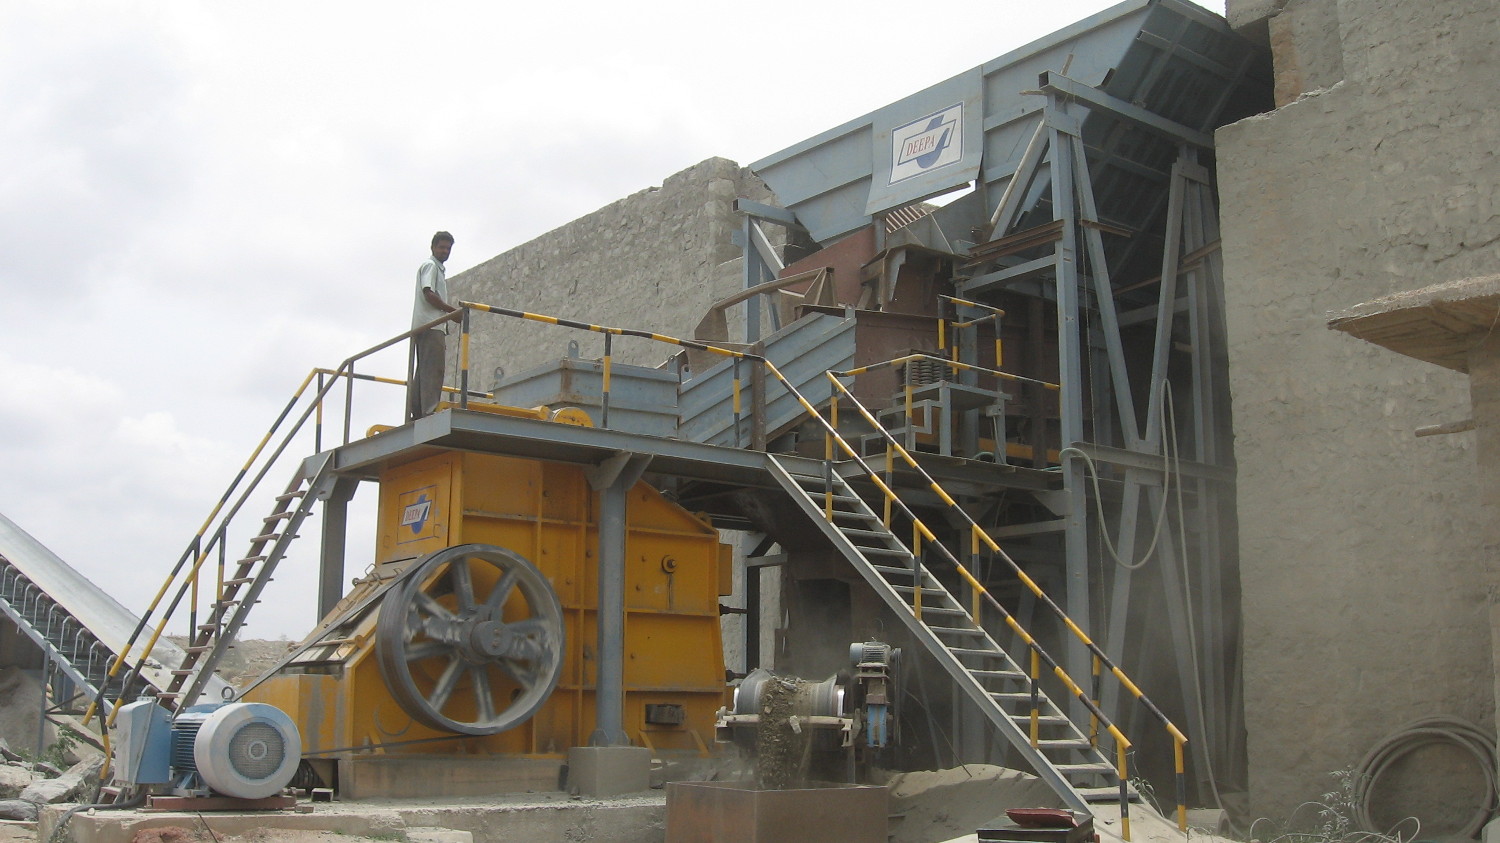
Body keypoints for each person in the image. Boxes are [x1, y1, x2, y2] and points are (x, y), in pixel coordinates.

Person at [408, 231, 459, 420]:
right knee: (433, 369)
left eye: (448, 248)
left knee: (423, 369)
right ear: (433, 247)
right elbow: (429, 293)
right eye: (441, 247)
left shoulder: (435, 268)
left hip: (424, 325)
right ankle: (428, 411)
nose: (445, 251)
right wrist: (452, 312)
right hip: (431, 325)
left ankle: (417, 410)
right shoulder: (431, 266)